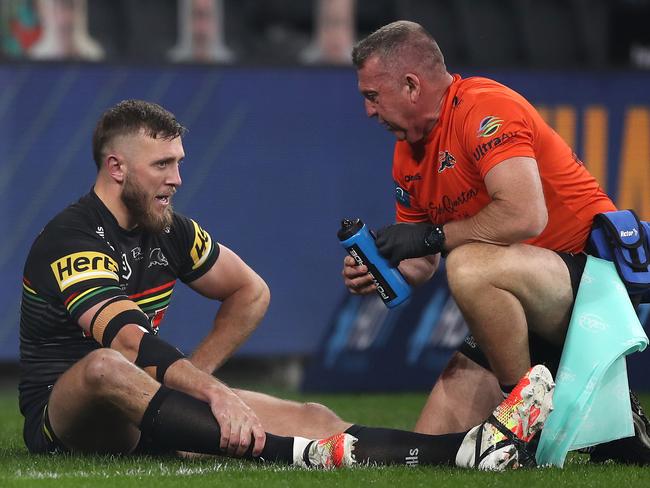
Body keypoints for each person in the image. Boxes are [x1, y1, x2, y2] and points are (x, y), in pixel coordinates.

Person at [19, 99, 551, 470]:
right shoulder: (73, 237)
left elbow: (250, 292)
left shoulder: (170, 231)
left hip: (148, 406)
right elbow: (127, 341)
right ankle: (295, 456)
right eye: (162, 165)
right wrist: (209, 393)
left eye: (179, 163)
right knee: (105, 366)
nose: (177, 179)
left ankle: (462, 452)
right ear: (116, 167)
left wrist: (195, 379)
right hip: (64, 418)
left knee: (315, 417)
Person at [342, 20, 650, 464]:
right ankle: (609, 419)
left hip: (591, 289)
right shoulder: (407, 152)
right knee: (429, 448)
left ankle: (526, 413)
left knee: (468, 264)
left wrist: (429, 236)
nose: (369, 111)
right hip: (525, 296)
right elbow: (423, 263)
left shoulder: (484, 109)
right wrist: (382, 267)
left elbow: (525, 215)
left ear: (411, 85)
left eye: (372, 96)